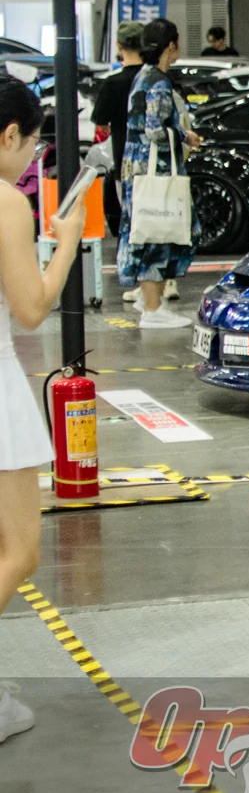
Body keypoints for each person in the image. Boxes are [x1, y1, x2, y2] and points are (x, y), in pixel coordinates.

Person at [0, 76, 84, 743]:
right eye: (32, 144)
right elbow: (31, 308)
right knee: (19, 551)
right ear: (9, 135)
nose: (32, 159)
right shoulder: (6, 200)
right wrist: (67, 244)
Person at [119, 18, 201, 329]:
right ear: (171, 46)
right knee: (159, 231)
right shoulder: (159, 82)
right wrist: (184, 135)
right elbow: (155, 130)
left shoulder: (142, 76)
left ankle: (149, 300)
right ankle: (153, 309)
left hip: (137, 168)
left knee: (145, 229)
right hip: (157, 171)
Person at [90, 20, 145, 241]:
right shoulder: (156, 79)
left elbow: (100, 120)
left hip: (125, 160)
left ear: (118, 46)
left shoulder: (113, 83)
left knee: (132, 221)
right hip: (157, 161)